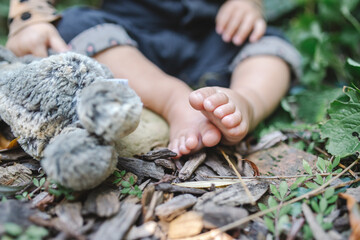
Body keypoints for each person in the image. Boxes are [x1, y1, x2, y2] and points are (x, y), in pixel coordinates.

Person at [6, 0, 301, 158]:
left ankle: (246, 100)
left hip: (213, 38)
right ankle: (173, 98)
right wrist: (28, 20)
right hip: (131, 39)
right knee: (73, 25)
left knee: (269, 44)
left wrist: (248, 5)